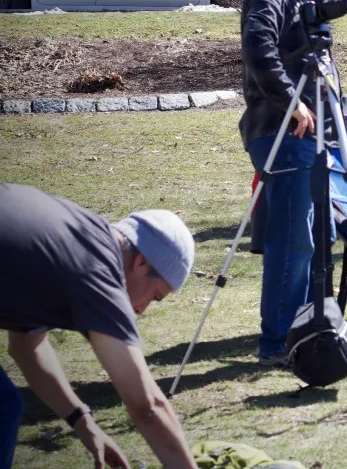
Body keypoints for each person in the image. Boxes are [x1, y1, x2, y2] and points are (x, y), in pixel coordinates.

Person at [0, 183, 198, 469]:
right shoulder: (98, 272)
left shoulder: (80, 238)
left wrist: (83, 423)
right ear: (141, 262)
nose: (141, 310)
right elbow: (148, 407)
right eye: (155, 296)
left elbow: (28, 350)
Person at [240, 0, 345, 367]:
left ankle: (299, 331)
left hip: (301, 134)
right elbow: (257, 46)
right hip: (282, 131)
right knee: (291, 240)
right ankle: (278, 342)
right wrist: (292, 101)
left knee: (306, 237)